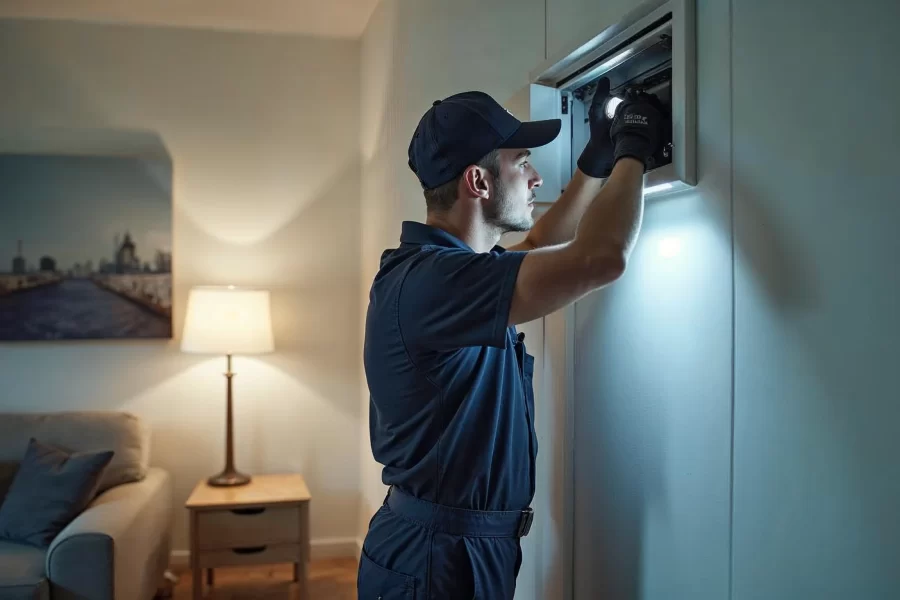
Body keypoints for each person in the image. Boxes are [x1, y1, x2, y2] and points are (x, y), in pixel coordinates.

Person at [358, 77, 665, 599]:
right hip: (437, 561)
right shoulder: (434, 284)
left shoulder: (448, 273)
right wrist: (634, 149)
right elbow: (598, 258)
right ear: (477, 182)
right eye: (522, 162)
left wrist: (597, 156)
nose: (536, 178)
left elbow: (544, 242)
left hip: (453, 550)